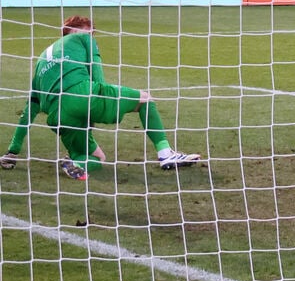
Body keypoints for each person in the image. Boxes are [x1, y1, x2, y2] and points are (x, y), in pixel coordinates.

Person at [0, 16, 200, 180]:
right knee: (144, 99)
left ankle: (76, 162)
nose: (92, 34)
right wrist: (98, 98)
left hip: (57, 117)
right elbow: (97, 74)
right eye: (90, 30)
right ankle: (166, 154)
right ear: (76, 29)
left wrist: (13, 150)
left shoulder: (41, 59)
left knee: (97, 157)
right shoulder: (83, 39)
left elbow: (31, 108)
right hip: (83, 95)